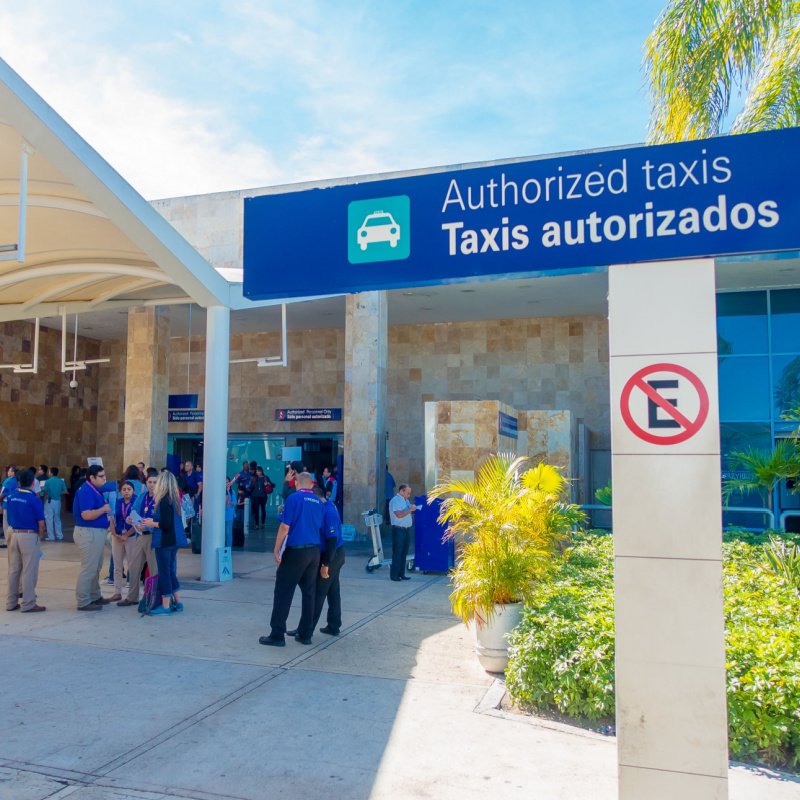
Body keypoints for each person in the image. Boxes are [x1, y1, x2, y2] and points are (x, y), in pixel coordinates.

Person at [260, 472, 324, 647]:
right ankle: (305, 634)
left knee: (283, 592)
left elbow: (284, 527)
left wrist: (276, 549)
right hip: (314, 551)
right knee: (309, 593)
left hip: (296, 551)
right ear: (311, 484)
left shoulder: (294, 499)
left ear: (297, 483)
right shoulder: (318, 501)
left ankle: (277, 634)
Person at [287, 485, 345, 638]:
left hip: (332, 555)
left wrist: (326, 564)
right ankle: (334, 625)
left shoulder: (328, 511)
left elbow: (332, 539)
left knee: (317, 593)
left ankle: (305, 631)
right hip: (333, 553)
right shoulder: (325, 506)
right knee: (333, 591)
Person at [142, 471, 187, 616]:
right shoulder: (174, 499)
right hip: (174, 541)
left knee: (164, 573)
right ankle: (178, 602)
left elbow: (165, 524)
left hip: (164, 542)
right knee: (171, 572)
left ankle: (166, 606)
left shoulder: (164, 500)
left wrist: (151, 523)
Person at [72, 464, 113, 611]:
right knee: (89, 568)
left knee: (96, 567)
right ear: (92, 478)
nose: (104, 478)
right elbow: (86, 514)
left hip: (95, 532)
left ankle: (95, 596)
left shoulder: (93, 489)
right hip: (88, 533)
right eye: (101, 476)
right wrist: (103, 509)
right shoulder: (86, 491)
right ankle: (83, 601)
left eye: (104, 475)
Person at [5, 469, 46, 613]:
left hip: (13, 533)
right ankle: (28, 603)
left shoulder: (11, 496)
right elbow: (41, 522)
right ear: (33, 482)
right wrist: (39, 536)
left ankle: (11, 602)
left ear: (19, 482)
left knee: (14, 570)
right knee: (29, 570)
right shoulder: (34, 499)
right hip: (29, 535)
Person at [117, 468, 159, 607]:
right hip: (139, 536)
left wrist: (148, 526)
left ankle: (154, 598)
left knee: (154, 569)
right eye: (149, 482)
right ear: (145, 483)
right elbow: (134, 509)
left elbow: (161, 520)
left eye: (154, 482)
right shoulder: (142, 496)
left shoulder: (160, 498)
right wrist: (130, 518)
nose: (151, 484)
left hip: (153, 536)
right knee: (134, 567)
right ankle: (132, 597)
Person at [109, 481, 138, 603]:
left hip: (131, 537)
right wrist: (114, 533)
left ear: (133, 491)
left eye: (129, 489)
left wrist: (127, 534)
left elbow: (137, 521)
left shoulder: (137, 502)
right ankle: (117, 592)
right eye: (124, 489)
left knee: (132, 565)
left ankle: (132, 594)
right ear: (121, 491)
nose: (126, 491)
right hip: (117, 536)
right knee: (117, 565)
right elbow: (111, 517)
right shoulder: (117, 502)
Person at [389, 483, 419, 582]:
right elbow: (399, 515)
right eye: (407, 493)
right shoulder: (395, 500)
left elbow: (407, 513)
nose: (409, 495)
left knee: (404, 552)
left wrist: (414, 510)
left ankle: (401, 574)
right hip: (398, 529)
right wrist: (410, 509)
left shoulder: (405, 500)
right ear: (401, 491)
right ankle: (394, 575)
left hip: (406, 529)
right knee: (397, 552)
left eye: (409, 493)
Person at [43, 466, 68, 541]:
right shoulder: (61, 481)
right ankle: (59, 535)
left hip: (49, 501)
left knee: (49, 519)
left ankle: (51, 537)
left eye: (49, 471)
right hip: (58, 501)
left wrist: (44, 500)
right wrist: (59, 493)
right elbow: (65, 491)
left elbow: (45, 491)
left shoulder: (48, 481)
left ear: (51, 473)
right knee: (57, 519)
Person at [0, 465, 19, 546]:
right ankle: (11, 541)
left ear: (13, 472)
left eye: (9, 471)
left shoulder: (10, 481)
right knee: (11, 523)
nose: (8, 472)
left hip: (7, 504)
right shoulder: (16, 480)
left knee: (6, 524)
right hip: (13, 504)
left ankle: (7, 541)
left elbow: (3, 493)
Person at [224, 477, 236, 548]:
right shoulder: (221, 491)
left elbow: (235, 502)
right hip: (221, 515)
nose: (226, 483)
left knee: (228, 533)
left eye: (227, 482)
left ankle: (228, 548)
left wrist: (231, 503)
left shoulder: (232, 492)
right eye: (225, 482)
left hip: (229, 515)